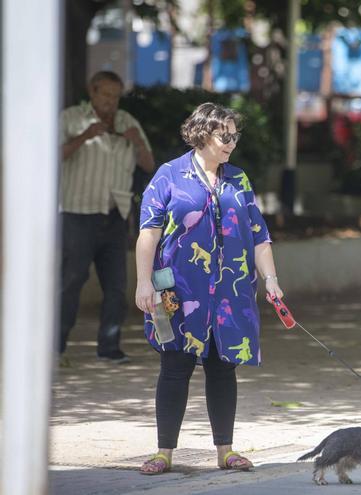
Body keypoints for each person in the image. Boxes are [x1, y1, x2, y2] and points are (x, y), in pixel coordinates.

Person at [134, 103, 283, 475]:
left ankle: (225, 451)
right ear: (202, 135)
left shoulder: (239, 179)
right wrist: (142, 281)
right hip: (175, 290)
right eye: (224, 136)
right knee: (174, 366)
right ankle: (164, 452)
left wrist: (272, 280)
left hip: (230, 292)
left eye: (235, 136)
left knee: (223, 368)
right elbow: (148, 233)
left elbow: (259, 236)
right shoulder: (169, 175)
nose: (231, 143)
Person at [59, 71, 155, 365]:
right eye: (105, 95)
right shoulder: (71, 118)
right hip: (78, 213)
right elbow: (50, 155)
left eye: (115, 96)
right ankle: (56, 345)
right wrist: (85, 136)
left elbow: (149, 164)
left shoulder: (128, 122)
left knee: (116, 285)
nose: (110, 102)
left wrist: (137, 142)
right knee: (71, 280)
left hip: (115, 215)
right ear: (92, 91)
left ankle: (109, 346)